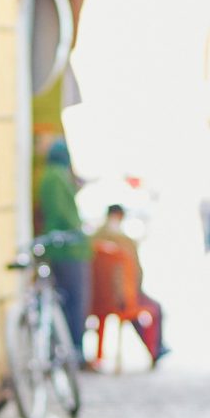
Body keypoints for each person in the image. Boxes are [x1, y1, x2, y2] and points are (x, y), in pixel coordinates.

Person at [36, 140, 94, 357]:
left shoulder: (50, 175)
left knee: (66, 300)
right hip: (69, 248)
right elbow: (63, 213)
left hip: (60, 246)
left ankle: (69, 349)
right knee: (76, 301)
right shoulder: (57, 176)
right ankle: (75, 350)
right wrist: (77, 231)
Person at [93, 204, 168, 366]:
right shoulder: (125, 241)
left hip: (99, 298)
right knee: (153, 307)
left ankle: (154, 349)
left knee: (133, 307)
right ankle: (156, 349)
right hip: (124, 297)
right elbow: (137, 274)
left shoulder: (94, 238)